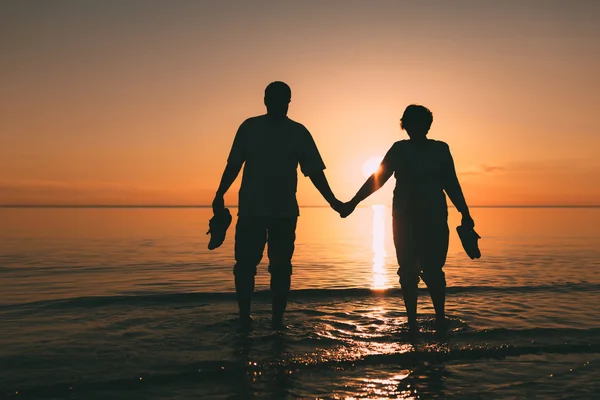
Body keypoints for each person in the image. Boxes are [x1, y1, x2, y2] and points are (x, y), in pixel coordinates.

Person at [212, 81, 342, 328]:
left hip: (282, 212)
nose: (278, 104)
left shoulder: (298, 132)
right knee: (247, 265)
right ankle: (245, 317)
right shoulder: (250, 127)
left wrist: (333, 201)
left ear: (288, 102)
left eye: (283, 100)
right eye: (274, 99)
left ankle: (276, 320)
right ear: (265, 100)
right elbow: (234, 164)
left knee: (278, 268)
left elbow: (314, 172)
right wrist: (219, 193)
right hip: (252, 210)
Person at [339, 105, 475, 332]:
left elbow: (451, 183)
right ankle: (420, 322)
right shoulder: (405, 149)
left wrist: (465, 212)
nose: (414, 127)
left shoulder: (436, 149)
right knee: (415, 270)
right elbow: (379, 178)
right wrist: (353, 202)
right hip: (409, 219)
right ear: (407, 125)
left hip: (425, 218)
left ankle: (430, 321)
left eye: (417, 122)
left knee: (423, 270)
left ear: (424, 125)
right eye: (411, 122)